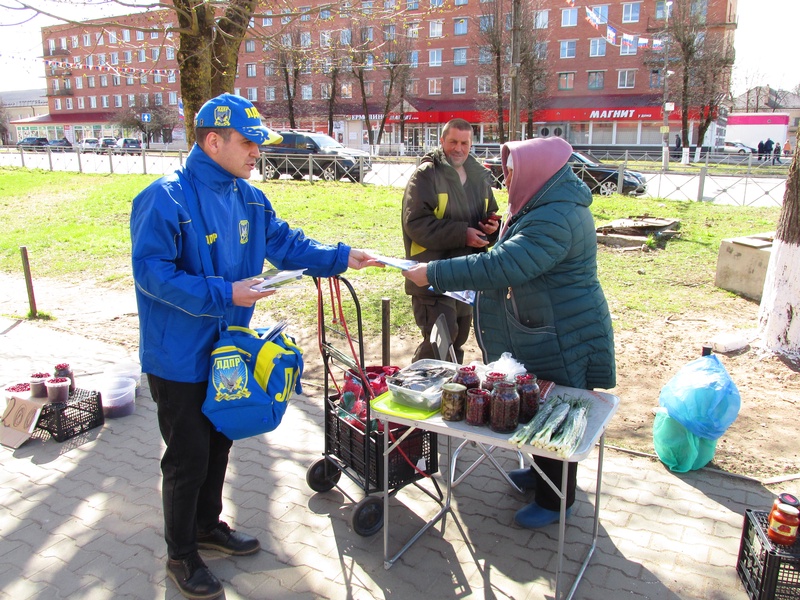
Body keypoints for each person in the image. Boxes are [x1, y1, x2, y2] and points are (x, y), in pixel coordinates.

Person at [130, 93, 381, 600]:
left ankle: (207, 526)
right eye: (248, 143)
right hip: (178, 356)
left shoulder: (248, 196)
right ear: (213, 140)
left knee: (220, 439)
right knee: (186, 456)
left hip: (230, 350)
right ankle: (180, 553)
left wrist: (342, 256)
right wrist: (227, 292)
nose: (256, 153)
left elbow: (287, 244)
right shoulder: (165, 197)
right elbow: (152, 275)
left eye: (259, 144)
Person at [402, 136, 616, 529]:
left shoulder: (557, 215)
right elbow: (510, 250)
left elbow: (503, 265)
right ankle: (539, 476)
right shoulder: (543, 201)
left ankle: (557, 500)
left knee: (558, 410)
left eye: (513, 169)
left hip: (565, 331)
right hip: (546, 325)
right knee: (539, 403)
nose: (506, 176)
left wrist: (432, 273)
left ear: (538, 170)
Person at [401, 118, 500, 363]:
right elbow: (415, 225)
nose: (458, 148)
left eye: (464, 143)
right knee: (438, 347)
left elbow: (491, 214)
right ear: (442, 141)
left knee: (456, 343)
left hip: (466, 277)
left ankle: (447, 397)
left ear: (471, 144)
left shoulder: (478, 176)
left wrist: (492, 229)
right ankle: (414, 394)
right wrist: (462, 233)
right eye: (453, 141)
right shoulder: (426, 175)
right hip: (432, 277)